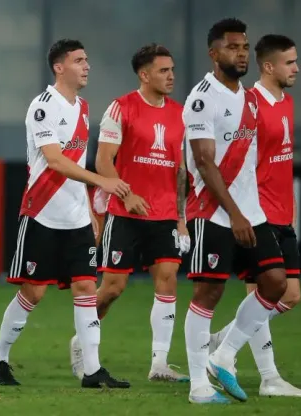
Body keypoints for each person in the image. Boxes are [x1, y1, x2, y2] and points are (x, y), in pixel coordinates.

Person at [0, 39, 131, 388]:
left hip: (77, 217)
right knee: (34, 292)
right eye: (79, 60)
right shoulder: (43, 106)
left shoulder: (82, 106)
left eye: (87, 60)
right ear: (59, 67)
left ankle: (92, 370)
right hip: (42, 214)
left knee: (85, 286)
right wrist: (102, 182)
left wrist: (91, 209)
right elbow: (54, 159)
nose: (87, 66)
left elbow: (76, 163)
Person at [182, 18, 289, 404]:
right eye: (232, 47)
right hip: (213, 212)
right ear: (214, 53)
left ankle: (223, 355)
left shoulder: (250, 100)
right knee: (208, 293)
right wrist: (235, 214)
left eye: (244, 47)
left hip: (251, 211)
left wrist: (252, 209)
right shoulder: (202, 98)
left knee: (275, 283)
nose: (241, 54)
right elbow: (205, 163)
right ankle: (198, 387)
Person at [69, 44, 190, 382]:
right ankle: (82, 341)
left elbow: (180, 170)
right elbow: (103, 161)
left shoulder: (180, 114)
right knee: (112, 288)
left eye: (172, 70)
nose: (171, 76)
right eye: (163, 70)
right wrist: (127, 193)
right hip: (124, 212)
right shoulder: (122, 108)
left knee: (167, 281)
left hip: (164, 213)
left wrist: (180, 217)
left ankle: (160, 364)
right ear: (144, 74)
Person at [209, 34, 301, 398]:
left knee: (290, 295)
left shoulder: (287, 102)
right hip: (257, 213)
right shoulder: (247, 103)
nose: (296, 68)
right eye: (290, 62)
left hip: (283, 213)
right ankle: (268, 377)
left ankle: (227, 338)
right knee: (265, 287)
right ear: (269, 66)